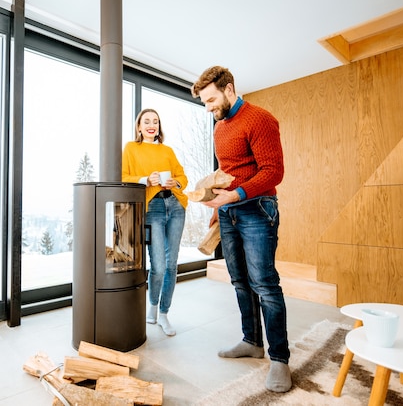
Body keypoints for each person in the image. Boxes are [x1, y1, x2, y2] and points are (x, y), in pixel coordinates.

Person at [190, 66, 292, 392]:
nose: (208, 108)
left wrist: (234, 196)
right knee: (239, 281)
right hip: (230, 213)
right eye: (204, 103)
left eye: (210, 100)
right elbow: (228, 170)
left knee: (264, 283)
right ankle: (252, 341)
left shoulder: (260, 119)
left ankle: (279, 358)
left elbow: (273, 172)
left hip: (258, 210)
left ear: (229, 89)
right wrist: (217, 207)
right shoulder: (220, 127)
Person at [122, 108, 188, 336]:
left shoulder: (167, 150)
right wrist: (145, 180)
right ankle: (152, 305)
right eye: (147, 121)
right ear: (139, 126)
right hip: (153, 208)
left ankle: (164, 314)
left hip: (176, 206)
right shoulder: (131, 148)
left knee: (172, 265)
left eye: (156, 122)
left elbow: (183, 177)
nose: (152, 125)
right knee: (158, 265)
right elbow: (123, 176)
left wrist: (174, 183)